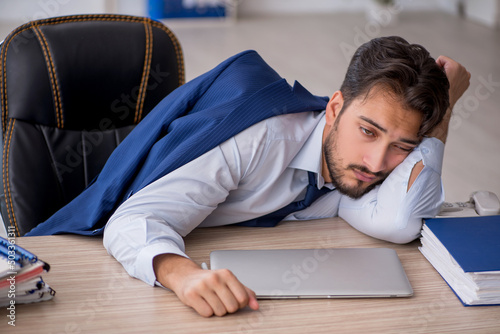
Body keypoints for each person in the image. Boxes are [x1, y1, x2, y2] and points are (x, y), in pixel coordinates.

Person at [102, 36, 470, 317]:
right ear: (336, 108)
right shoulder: (258, 142)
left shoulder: (352, 175)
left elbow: (401, 222)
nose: (376, 163)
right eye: (368, 131)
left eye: (402, 146)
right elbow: (131, 220)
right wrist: (181, 273)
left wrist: (441, 119)